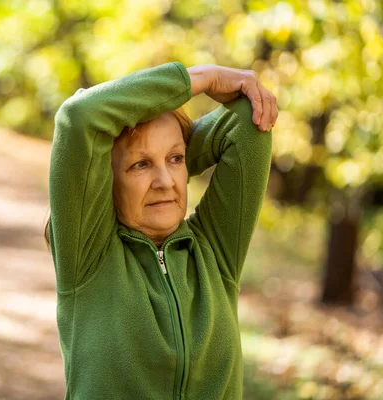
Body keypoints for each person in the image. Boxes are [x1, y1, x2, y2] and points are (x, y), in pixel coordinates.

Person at [46, 61, 277, 399]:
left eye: (177, 160)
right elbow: (80, 116)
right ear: (104, 179)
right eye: (140, 165)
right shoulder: (86, 253)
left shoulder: (214, 251)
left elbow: (247, 117)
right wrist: (204, 77)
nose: (165, 182)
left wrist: (163, 149)